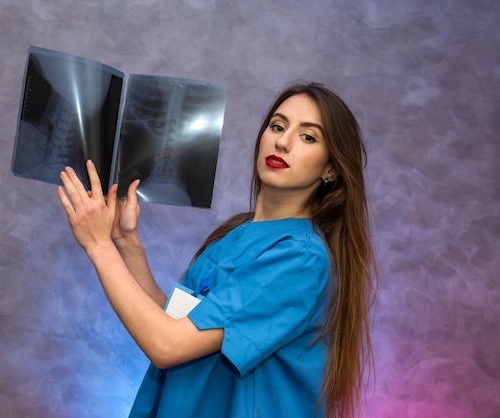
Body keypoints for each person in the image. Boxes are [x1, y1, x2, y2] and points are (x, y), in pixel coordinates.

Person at [57, 82, 377, 418]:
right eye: (278, 126)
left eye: (308, 137)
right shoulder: (237, 232)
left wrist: (98, 244)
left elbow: (166, 344)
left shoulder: (300, 260)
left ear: (330, 169)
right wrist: (126, 243)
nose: (282, 142)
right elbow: (175, 324)